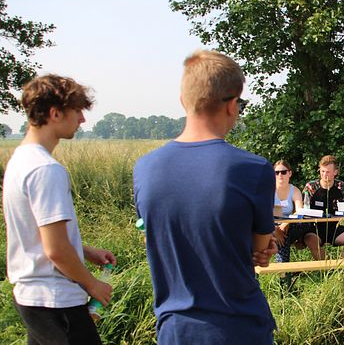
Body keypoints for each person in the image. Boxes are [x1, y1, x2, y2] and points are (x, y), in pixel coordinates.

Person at [134, 50, 277, 344]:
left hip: (175, 329)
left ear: (183, 100)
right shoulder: (254, 169)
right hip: (238, 327)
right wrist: (263, 246)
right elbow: (259, 251)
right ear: (232, 105)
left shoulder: (145, 168)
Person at [3, 74, 116, 345]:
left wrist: (84, 251)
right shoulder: (46, 169)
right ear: (55, 113)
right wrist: (92, 284)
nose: (82, 119)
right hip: (56, 301)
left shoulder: (20, 160)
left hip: (33, 298)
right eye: (77, 111)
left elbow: (39, 235)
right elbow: (55, 250)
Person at [302, 155, 344, 260]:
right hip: (315, 229)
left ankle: (342, 267)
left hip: (334, 229)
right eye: (322, 171)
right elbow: (304, 210)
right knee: (310, 240)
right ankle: (328, 269)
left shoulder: (340, 186)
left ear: (335, 172)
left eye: (328, 172)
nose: (324, 175)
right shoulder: (311, 187)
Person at [273, 160, 320, 263]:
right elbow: (262, 214)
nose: (280, 175)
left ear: (290, 173)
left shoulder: (294, 190)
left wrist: (285, 224)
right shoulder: (268, 190)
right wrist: (276, 229)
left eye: (283, 172)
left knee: (300, 225)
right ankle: (284, 273)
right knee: (283, 236)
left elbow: (300, 211)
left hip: (289, 225)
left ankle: (283, 273)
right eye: (277, 172)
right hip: (271, 226)